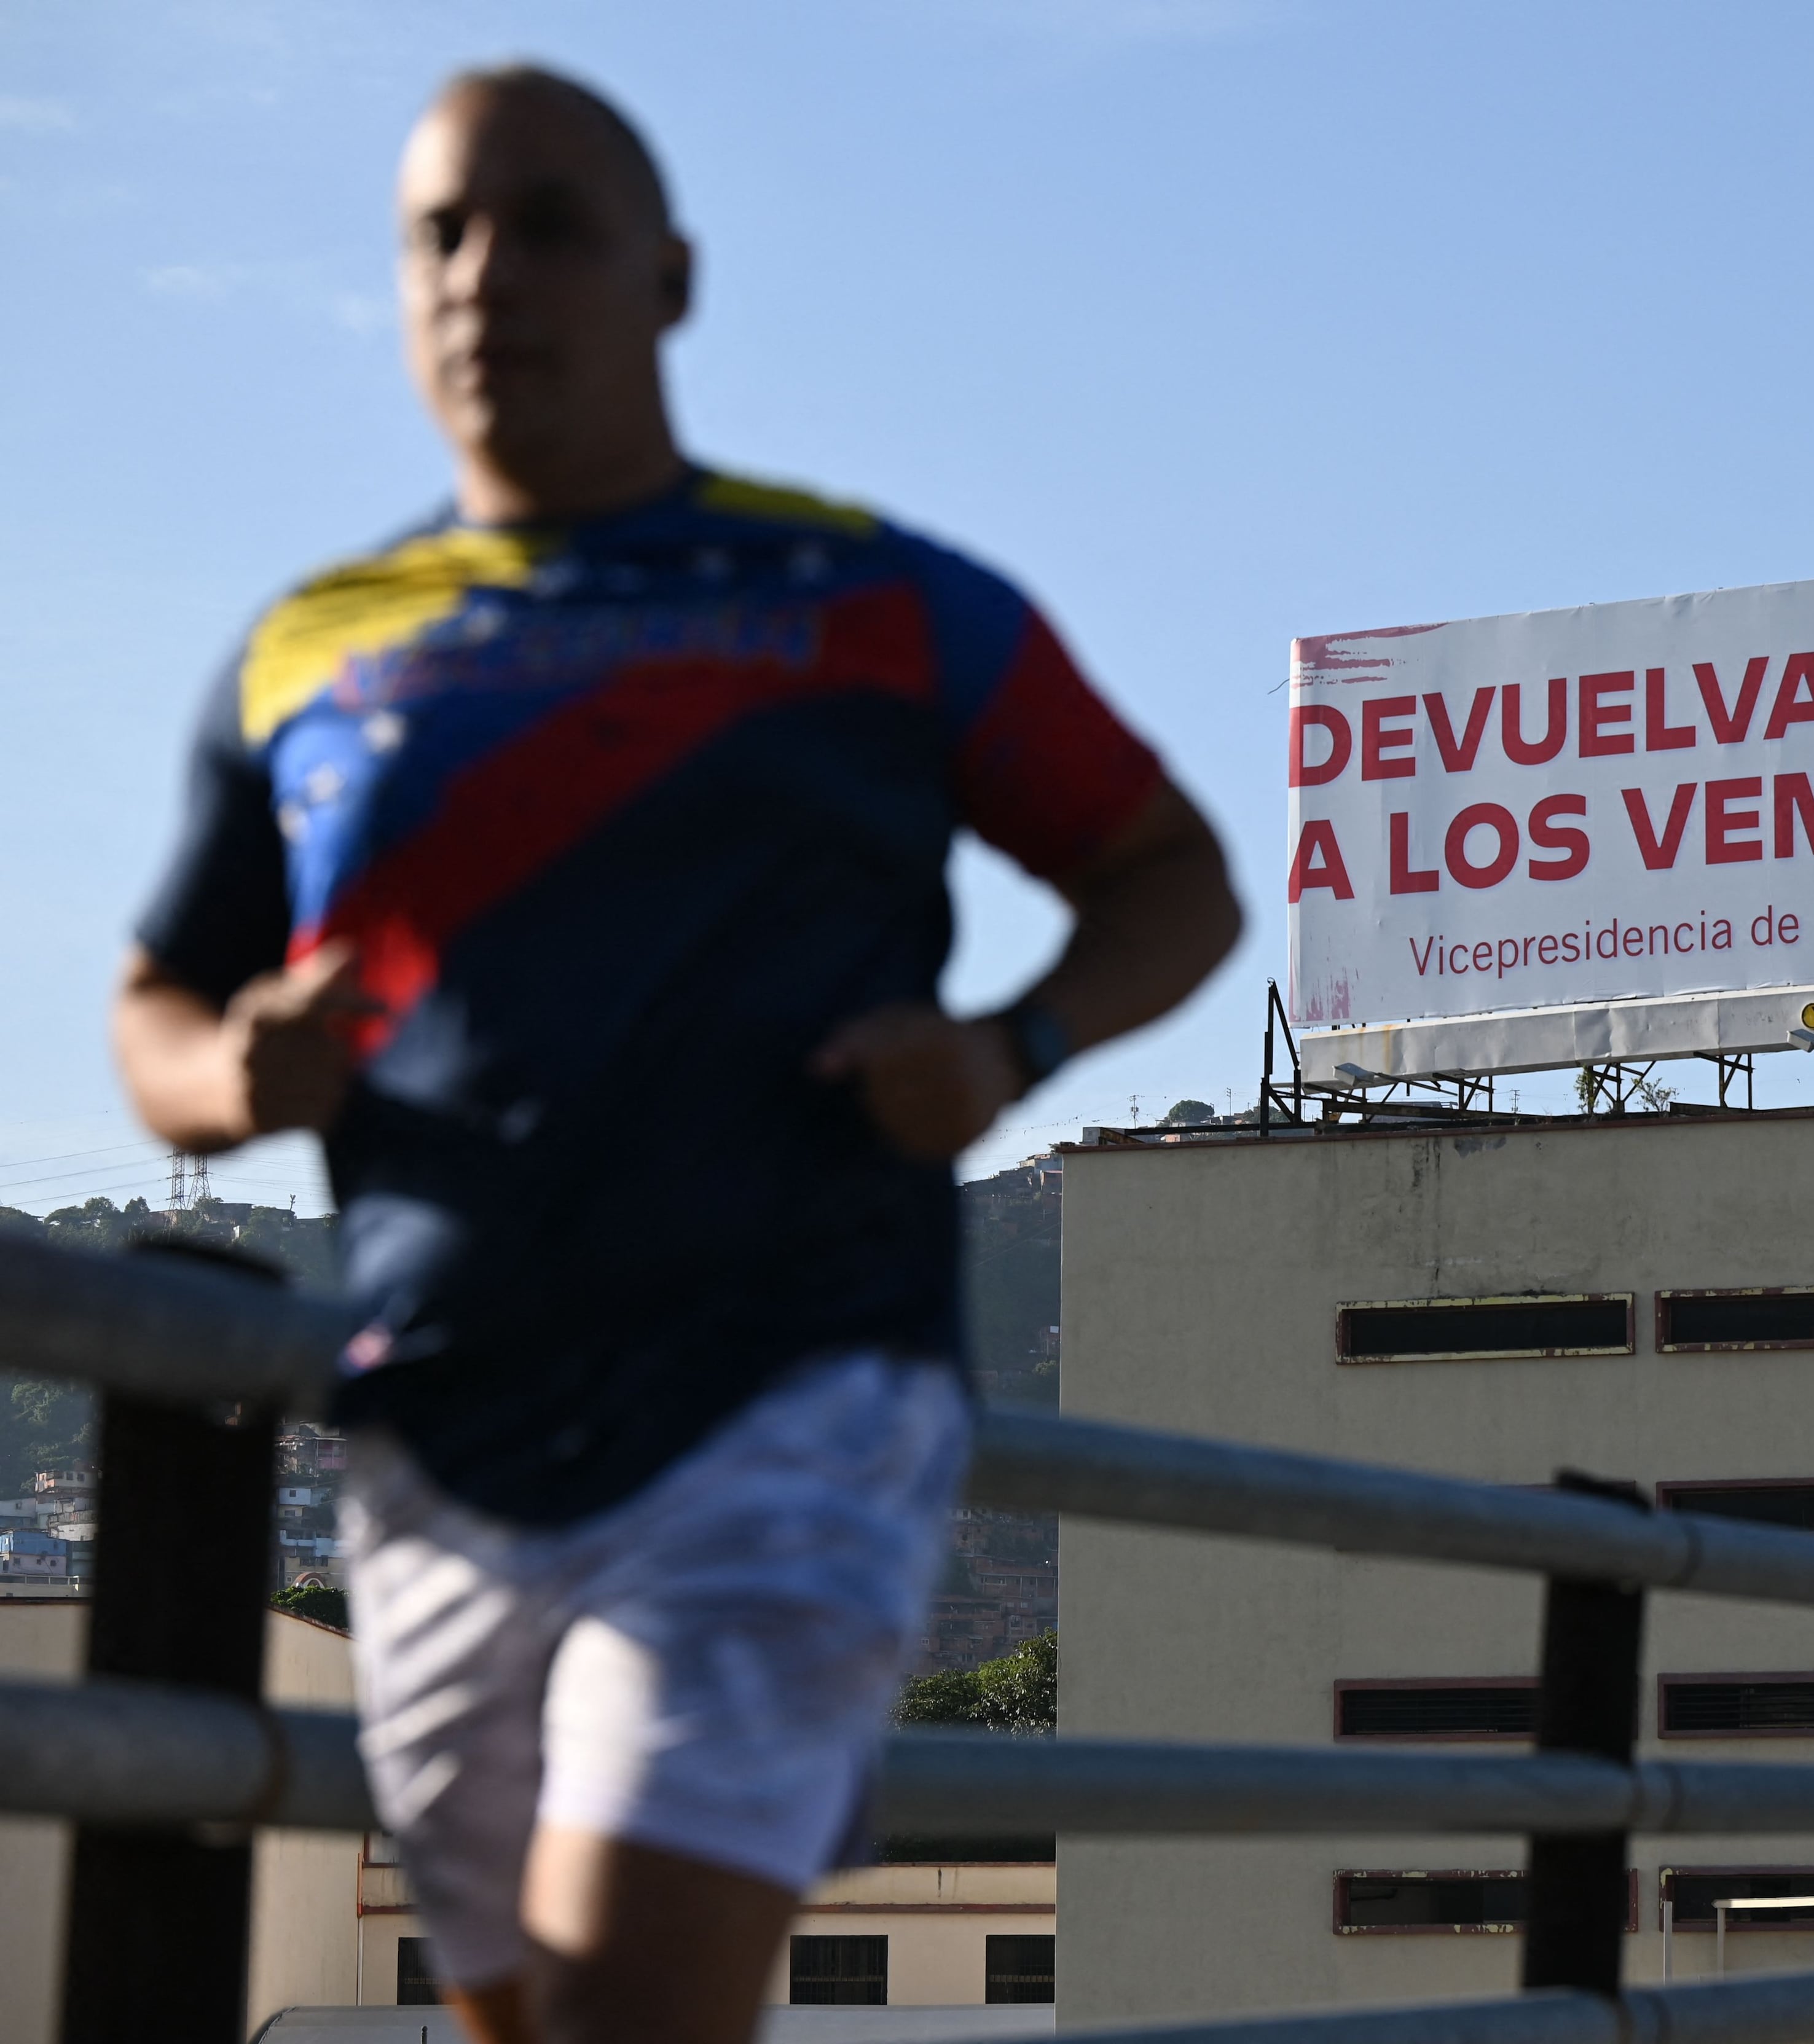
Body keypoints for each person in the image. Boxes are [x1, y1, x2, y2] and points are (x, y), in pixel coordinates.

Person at [111, 63, 1238, 2044]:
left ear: (674, 278)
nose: (487, 275)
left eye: (550, 224)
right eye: (441, 236)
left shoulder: (879, 601)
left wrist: (1014, 1046)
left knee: (632, 2002)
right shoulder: (310, 649)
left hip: (789, 1395)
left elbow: (1175, 876)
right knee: (528, 2017)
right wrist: (232, 1080)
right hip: (443, 1431)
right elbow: (156, 1014)